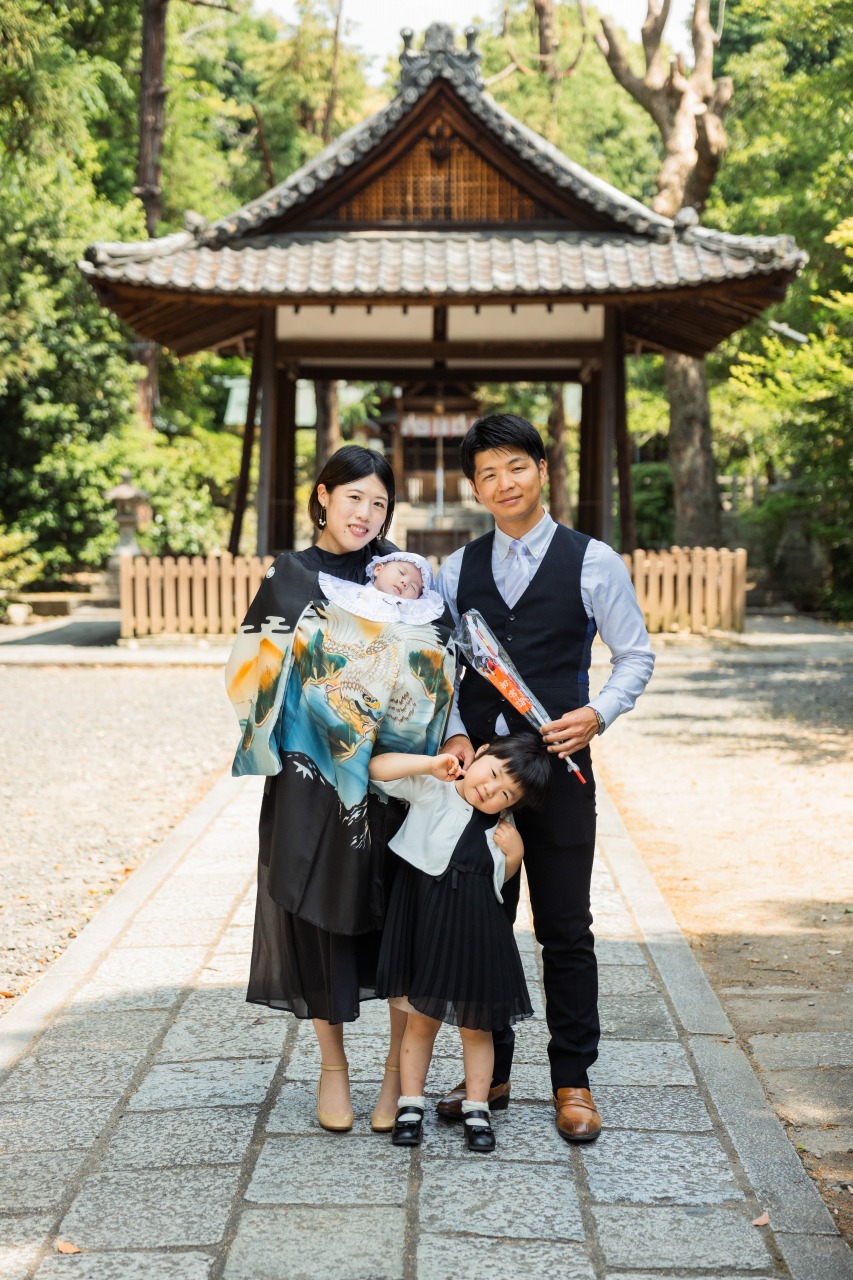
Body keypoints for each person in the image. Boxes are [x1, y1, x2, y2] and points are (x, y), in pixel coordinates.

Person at [435, 413, 655, 1144]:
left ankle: (573, 1081)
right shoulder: (454, 569)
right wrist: (454, 731)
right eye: (487, 474)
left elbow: (635, 656)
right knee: (480, 927)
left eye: (515, 468)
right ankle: (487, 1075)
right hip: (478, 783)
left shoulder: (593, 561)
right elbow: (440, 671)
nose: (503, 484)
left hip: (559, 771)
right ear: (474, 487)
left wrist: (597, 713)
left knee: (564, 928)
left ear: (542, 469)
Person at [224, 446, 452, 1137]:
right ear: (321, 496)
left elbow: (438, 655)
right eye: (353, 497)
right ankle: (332, 1068)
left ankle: (395, 1073)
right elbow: (248, 670)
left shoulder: (401, 575)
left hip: (392, 778)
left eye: (379, 503)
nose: (366, 514)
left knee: (396, 918)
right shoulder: (290, 575)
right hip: (311, 777)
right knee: (318, 915)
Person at [368, 734, 550, 1152]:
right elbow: (378, 770)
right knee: (420, 1020)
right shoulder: (435, 788)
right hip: (424, 926)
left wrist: (516, 855)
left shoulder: (503, 831)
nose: (489, 789)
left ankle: (477, 1107)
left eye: (504, 793)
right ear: (481, 754)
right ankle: (409, 1105)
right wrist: (428, 763)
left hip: (474, 937)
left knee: (477, 1027)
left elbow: (497, 886)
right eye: (493, 774)